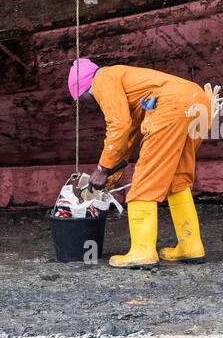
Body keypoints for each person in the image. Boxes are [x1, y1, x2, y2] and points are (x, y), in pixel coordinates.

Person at [68, 58, 212, 268]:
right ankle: (191, 245)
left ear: (84, 91)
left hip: (172, 107)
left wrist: (101, 169)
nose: (87, 109)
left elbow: (119, 126)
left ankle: (143, 251)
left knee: (144, 181)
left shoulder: (102, 79)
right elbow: (128, 135)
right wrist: (110, 176)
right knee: (177, 179)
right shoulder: (125, 83)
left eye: (81, 102)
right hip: (198, 102)